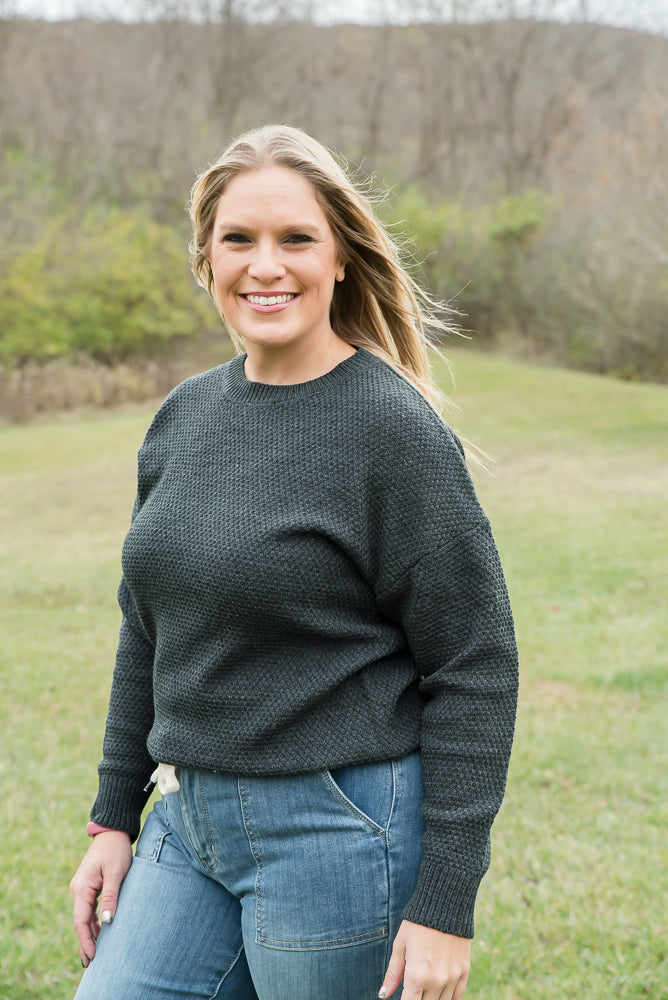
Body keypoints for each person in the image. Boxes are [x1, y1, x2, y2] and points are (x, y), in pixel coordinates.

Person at [70, 124, 518, 1000]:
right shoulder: (183, 416)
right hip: (188, 823)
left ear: (342, 257)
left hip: (338, 831)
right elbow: (146, 631)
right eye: (239, 239)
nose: (265, 266)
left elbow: (476, 664)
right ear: (206, 258)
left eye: (296, 239)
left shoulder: (390, 430)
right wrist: (113, 817)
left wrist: (445, 902)